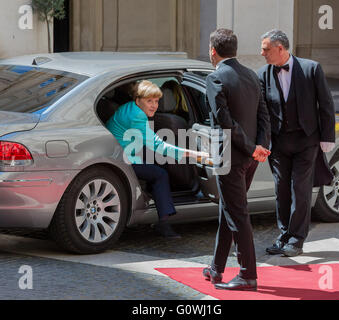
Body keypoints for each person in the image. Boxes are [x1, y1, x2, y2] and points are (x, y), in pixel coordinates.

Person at [203, 29, 271, 291]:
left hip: (230, 157)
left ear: (213, 51)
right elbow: (264, 115)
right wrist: (260, 146)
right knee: (229, 211)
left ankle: (247, 274)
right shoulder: (251, 75)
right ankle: (216, 268)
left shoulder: (215, 77)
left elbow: (225, 123)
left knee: (237, 214)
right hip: (250, 158)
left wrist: (252, 146)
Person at [258, 29, 335, 257]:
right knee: (281, 190)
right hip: (279, 143)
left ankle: (297, 240)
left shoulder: (311, 69)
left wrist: (327, 137)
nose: (262, 53)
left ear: (280, 48)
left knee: (299, 190)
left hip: (306, 141)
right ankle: (284, 236)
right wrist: (262, 142)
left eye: (265, 49)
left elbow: (326, 103)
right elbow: (261, 112)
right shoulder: (263, 74)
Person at [106, 80, 209, 238]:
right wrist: (195, 155)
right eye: (149, 101)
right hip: (124, 161)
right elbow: (159, 146)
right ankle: (163, 224)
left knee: (155, 167)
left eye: (157, 101)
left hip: (117, 155)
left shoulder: (129, 108)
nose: (154, 105)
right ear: (138, 99)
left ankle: (156, 208)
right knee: (160, 174)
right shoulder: (138, 116)